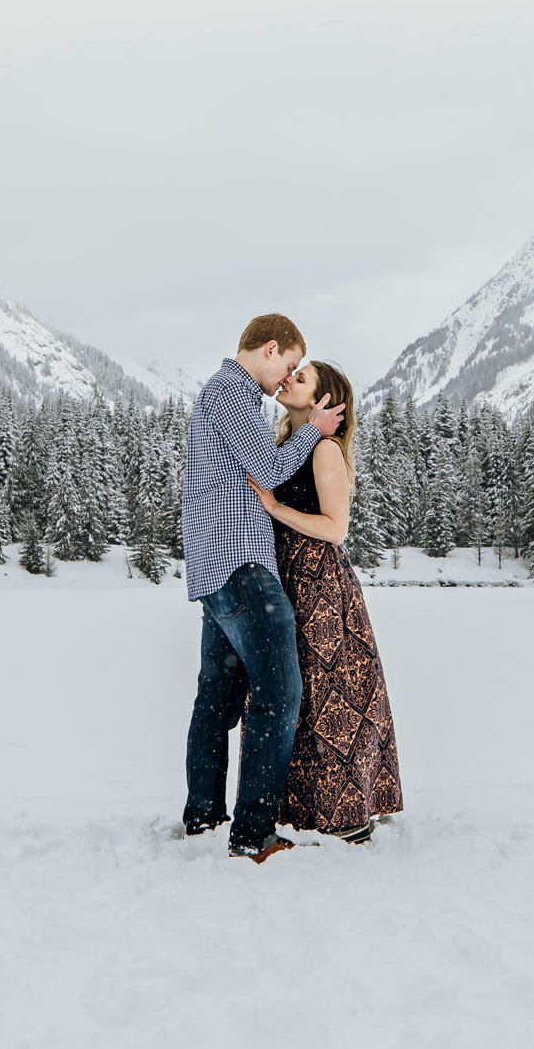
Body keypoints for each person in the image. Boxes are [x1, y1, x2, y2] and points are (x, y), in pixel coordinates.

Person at [181, 314, 344, 862]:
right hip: (243, 566)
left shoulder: (224, 394)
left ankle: (204, 817)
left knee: (217, 699)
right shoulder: (232, 392)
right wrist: (316, 433)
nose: (287, 379)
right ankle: (253, 834)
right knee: (279, 694)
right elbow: (269, 471)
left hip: (217, 570)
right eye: (290, 365)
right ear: (270, 349)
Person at [246, 360, 403, 844]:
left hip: (317, 583)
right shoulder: (283, 446)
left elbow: (336, 529)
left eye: (304, 376)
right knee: (292, 691)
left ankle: (345, 811)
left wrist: (273, 507)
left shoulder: (325, 450)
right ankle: (302, 808)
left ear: (324, 400)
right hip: (284, 578)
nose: (290, 377)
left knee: (326, 691)